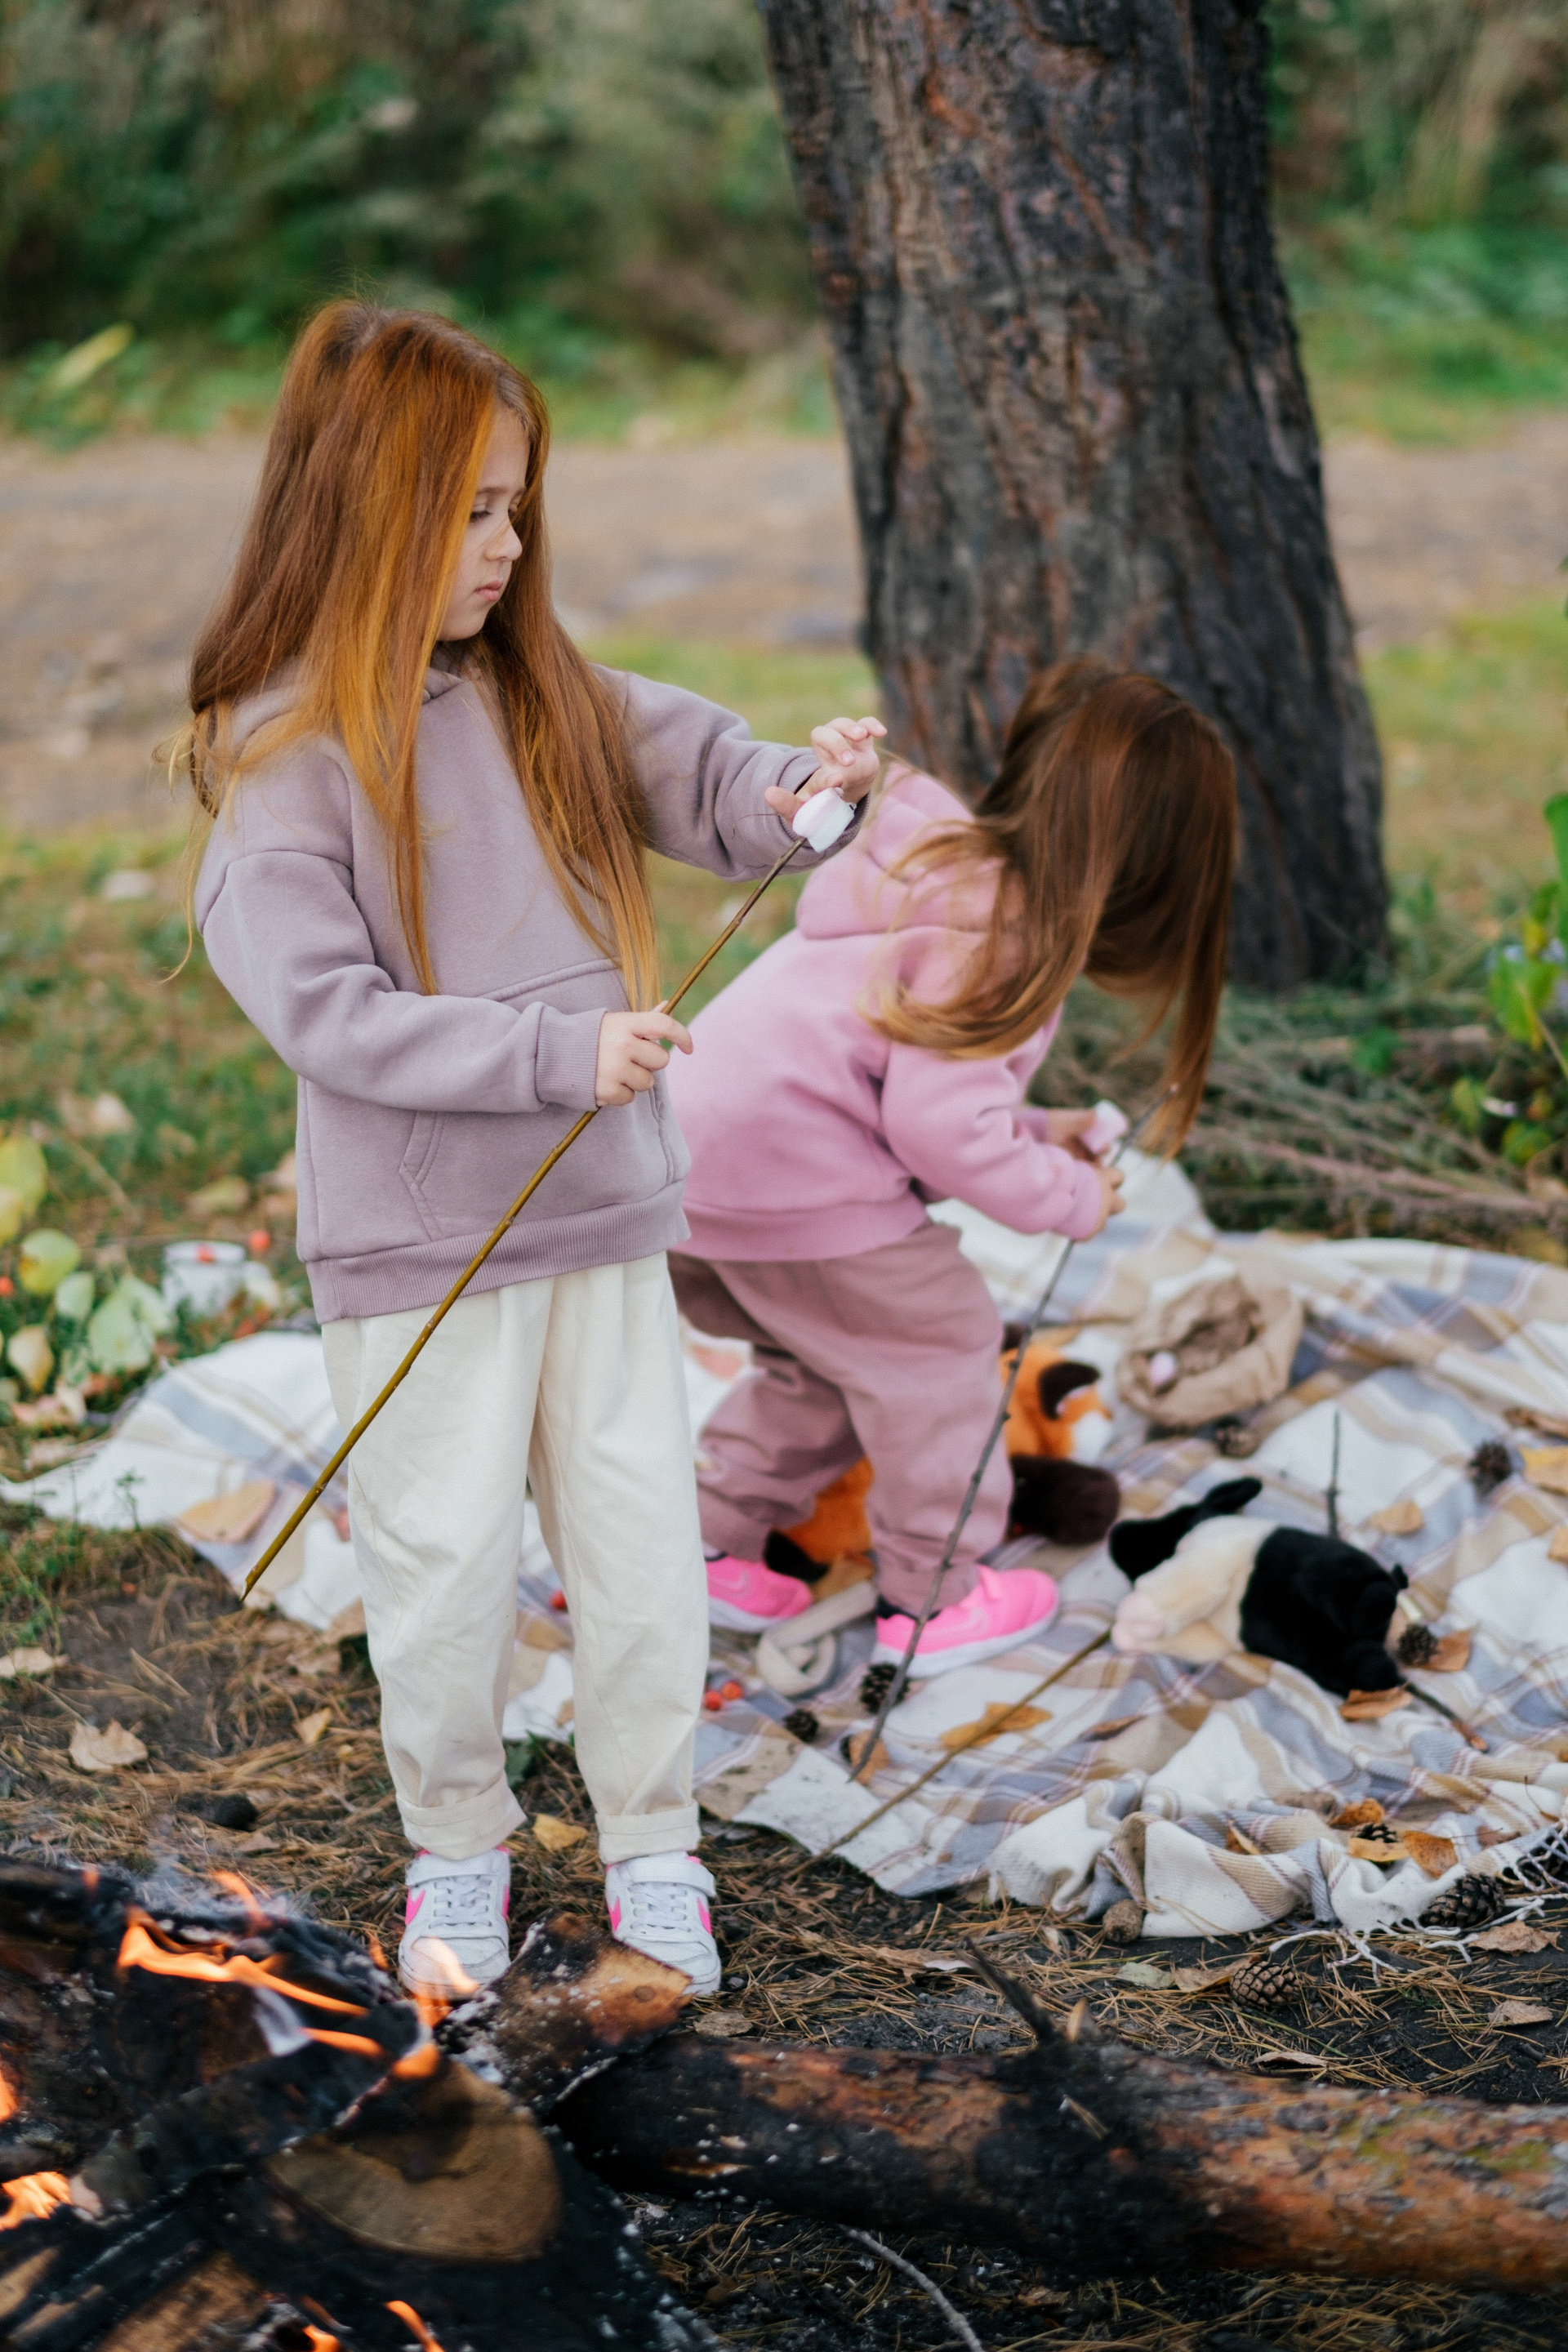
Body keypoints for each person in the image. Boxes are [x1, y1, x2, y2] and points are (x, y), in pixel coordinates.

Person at [177, 302, 882, 1998]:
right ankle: (457, 1848)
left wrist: (802, 796)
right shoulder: (287, 764)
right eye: (468, 511)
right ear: (361, 513)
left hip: (603, 1220)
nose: (504, 546)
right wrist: (560, 1057)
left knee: (640, 1556)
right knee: (441, 1573)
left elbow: (704, 774)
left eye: (515, 508)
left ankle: (654, 1845)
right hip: (425, 1247)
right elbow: (334, 1019)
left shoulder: (543, 693)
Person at [667, 657, 1237, 1675]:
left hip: (693, 1166)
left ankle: (705, 1545)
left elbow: (901, 1080)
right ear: (1152, 871)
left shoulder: (943, 872)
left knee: (829, 1358)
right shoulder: (1007, 940)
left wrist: (1036, 1130)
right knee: (942, 1352)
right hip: (802, 1185)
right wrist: (1071, 1195)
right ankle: (935, 1598)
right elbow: (938, 1128)